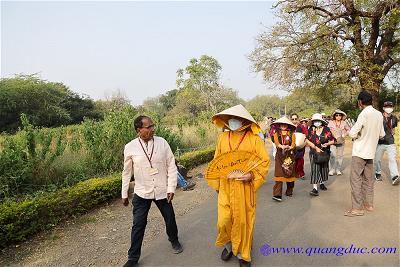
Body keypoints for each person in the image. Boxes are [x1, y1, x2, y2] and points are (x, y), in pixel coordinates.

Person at [207, 104, 270, 267]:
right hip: (226, 186)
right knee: (224, 221)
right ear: (227, 121)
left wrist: (252, 175)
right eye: (231, 119)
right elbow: (217, 161)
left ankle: (244, 253)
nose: (233, 121)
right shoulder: (222, 138)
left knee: (243, 221)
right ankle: (229, 246)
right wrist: (217, 183)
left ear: (245, 121)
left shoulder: (254, 140)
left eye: (237, 119)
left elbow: (263, 162)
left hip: (244, 188)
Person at [121, 115, 183, 267]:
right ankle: (133, 258)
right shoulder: (130, 147)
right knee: (138, 225)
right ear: (139, 130)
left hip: (162, 190)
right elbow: (126, 172)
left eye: (152, 126)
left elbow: (171, 166)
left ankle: (174, 241)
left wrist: (171, 187)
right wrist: (124, 193)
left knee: (170, 218)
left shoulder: (162, 143)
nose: (152, 129)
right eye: (148, 127)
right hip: (142, 192)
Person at [345, 91, 385, 217]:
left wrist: (356, 133)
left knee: (356, 179)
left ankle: (357, 208)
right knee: (369, 179)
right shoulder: (379, 114)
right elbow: (382, 134)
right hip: (371, 152)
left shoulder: (363, 114)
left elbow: (352, 133)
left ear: (360, 102)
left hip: (360, 151)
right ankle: (369, 204)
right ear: (371, 101)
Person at [305, 113, 335, 196]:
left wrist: (327, 144)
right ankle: (315, 188)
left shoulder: (326, 129)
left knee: (323, 168)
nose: (316, 122)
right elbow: (307, 140)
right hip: (314, 152)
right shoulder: (311, 129)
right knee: (315, 169)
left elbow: (333, 140)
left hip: (324, 153)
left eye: (318, 121)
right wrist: (315, 147)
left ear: (321, 121)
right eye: (315, 121)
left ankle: (322, 183)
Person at [271, 116, 297, 201]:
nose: (283, 126)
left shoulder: (291, 134)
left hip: (289, 156)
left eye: (285, 124)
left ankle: (289, 191)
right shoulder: (276, 134)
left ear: (288, 125)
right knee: (279, 174)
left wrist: (289, 147)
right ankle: (277, 194)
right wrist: (282, 146)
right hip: (279, 156)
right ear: (279, 125)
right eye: (282, 124)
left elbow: (293, 144)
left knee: (289, 173)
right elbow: (277, 143)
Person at [374, 101, 399, 185]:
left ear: (392, 108)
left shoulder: (394, 118)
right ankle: (378, 173)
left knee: (392, 159)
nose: (389, 108)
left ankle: (395, 176)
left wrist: (393, 132)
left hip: (390, 142)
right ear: (384, 108)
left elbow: (393, 128)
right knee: (377, 160)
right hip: (380, 142)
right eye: (387, 106)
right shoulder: (378, 117)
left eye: (390, 107)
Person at [327, 109, 351, 176]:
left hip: (341, 141)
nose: (338, 116)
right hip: (332, 142)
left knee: (340, 156)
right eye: (336, 115)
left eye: (339, 115)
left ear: (341, 116)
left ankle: (338, 169)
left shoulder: (344, 123)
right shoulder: (331, 122)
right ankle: (332, 169)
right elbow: (327, 131)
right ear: (334, 116)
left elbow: (348, 130)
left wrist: (344, 135)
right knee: (332, 155)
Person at [293, 115, 308, 180]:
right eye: (292, 119)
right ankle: (294, 173)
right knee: (292, 160)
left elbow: (306, 134)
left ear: (298, 119)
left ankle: (301, 173)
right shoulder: (289, 127)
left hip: (301, 146)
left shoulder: (302, 127)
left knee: (300, 160)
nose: (294, 120)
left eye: (295, 119)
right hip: (292, 146)